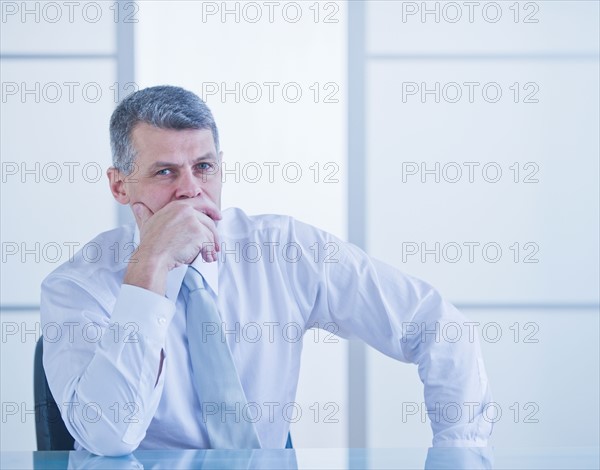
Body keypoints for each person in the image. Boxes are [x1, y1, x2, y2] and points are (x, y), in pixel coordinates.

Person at [41, 85, 493, 457]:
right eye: (165, 173)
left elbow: (438, 327)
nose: (191, 191)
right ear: (120, 185)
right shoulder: (77, 288)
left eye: (203, 167)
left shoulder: (284, 252)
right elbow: (106, 437)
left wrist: (460, 453)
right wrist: (150, 266)